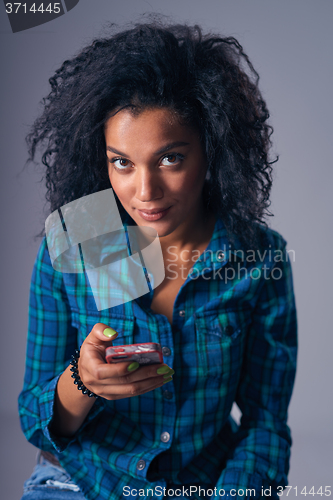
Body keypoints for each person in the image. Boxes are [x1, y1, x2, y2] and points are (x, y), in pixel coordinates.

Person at [18, 19, 297, 500]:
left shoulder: (257, 257)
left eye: (170, 159)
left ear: (212, 151)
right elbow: (35, 422)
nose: (144, 192)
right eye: (121, 162)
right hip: (81, 481)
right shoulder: (81, 237)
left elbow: (265, 424)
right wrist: (82, 382)